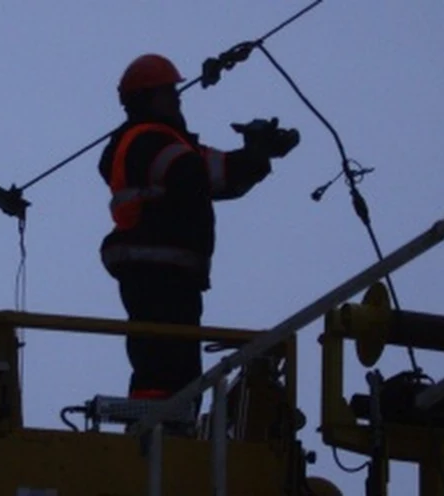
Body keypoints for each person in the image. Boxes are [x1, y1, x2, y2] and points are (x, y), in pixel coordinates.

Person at [98, 53, 300, 404]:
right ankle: (158, 428)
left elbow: (219, 174)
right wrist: (255, 150)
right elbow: (194, 176)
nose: (178, 98)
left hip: (162, 268)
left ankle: (162, 424)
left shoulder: (162, 141)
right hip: (158, 266)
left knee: (168, 360)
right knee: (166, 362)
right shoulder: (147, 140)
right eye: (170, 92)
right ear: (150, 97)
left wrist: (257, 155)